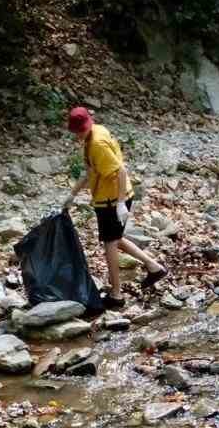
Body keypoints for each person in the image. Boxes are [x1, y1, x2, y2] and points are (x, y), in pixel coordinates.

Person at [60, 106, 166, 306]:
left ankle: (116, 295)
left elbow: (121, 172)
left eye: (79, 132)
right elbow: (90, 171)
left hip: (112, 200)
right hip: (108, 197)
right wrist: (72, 193)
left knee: (110, 244)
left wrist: (119, 204)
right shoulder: (95, 133)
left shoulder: (97, 144)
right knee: (115, 239)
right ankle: (154, 267)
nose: (77, 136)